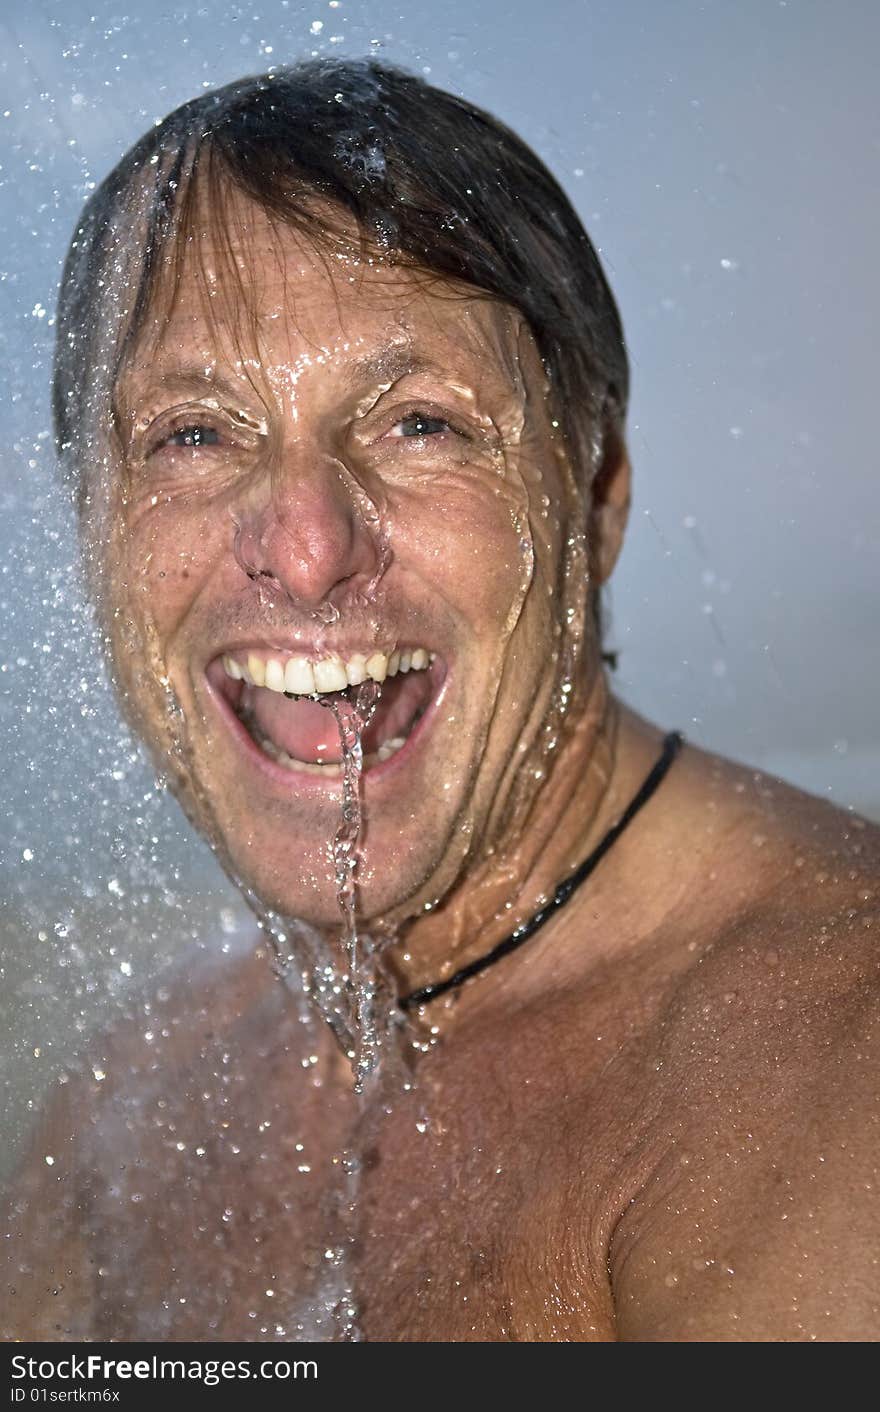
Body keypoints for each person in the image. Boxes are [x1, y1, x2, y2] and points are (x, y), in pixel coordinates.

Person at [3, 57, 878, 1344]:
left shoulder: (829, 1070)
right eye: (194, 433)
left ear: (595, 496)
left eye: (420, 423)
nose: (304, 547)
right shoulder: (132, 1103)